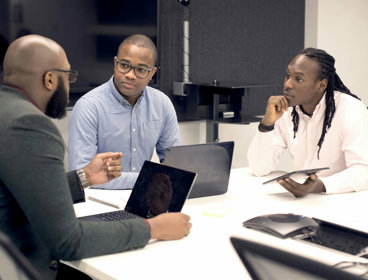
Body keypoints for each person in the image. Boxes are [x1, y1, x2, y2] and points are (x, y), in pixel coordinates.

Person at [0, 34, 192, 279]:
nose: (69, 87)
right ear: (50, 79)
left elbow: (31, 190)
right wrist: (151, 228)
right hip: (24, 267)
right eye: (68, 77)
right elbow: (69, 242)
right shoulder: (31, 126)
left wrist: (83, 177)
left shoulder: (6, 111)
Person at [247, 48, 368, 197]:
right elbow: (258, 169)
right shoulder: (286, 112)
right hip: (304, 201)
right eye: (288, 75)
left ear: (322, 85)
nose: (288, 84)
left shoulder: (350, 109)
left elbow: (364, 171)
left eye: (298, 79)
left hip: (343, 200)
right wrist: (267, 124)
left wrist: (322, 185)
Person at [68, 34, 181, 189]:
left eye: (141, 69)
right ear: (115, 63)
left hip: (146, 196)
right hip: (99, 200)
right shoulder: (88, 107)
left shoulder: (162, 104)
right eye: (124, 65)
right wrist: (148, 178)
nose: (130, 75)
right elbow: (82, 175)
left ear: (152, 73)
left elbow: (175, 164)